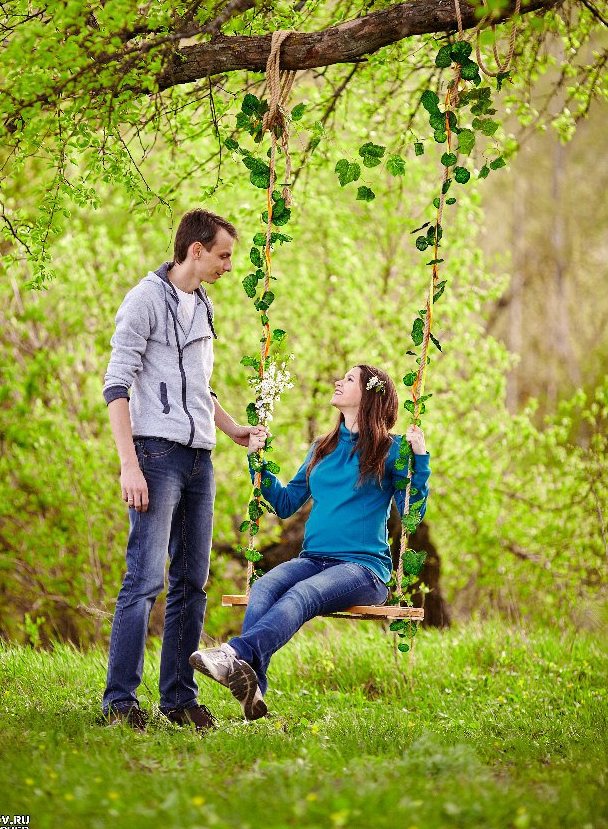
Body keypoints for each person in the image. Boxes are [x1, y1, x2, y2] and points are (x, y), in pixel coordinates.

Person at [189, 363, 430, 721]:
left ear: (369, 395)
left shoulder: (391, 450)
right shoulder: (322, 447)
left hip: (364, 571)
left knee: (303, 595)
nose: (338, 381)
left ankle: (233, 653)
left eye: (349, 379)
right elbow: (286, 503)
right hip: (315, 558)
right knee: (266, 586)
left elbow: (412, 513)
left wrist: (420, 459)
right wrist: (257, 462)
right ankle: (254, 697)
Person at [101, 209, 263, 733]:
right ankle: (120, 702)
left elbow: (199, 387)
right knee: (145, 580)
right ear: (196, 251)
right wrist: (129, 465)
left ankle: (177, 698)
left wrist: (233, 429)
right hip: (154, 456)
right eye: (223, 255)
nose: (228, 266)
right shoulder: (144, 300)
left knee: (193, 582)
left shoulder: (205, 306)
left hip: (201, 458)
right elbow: (116, 386)